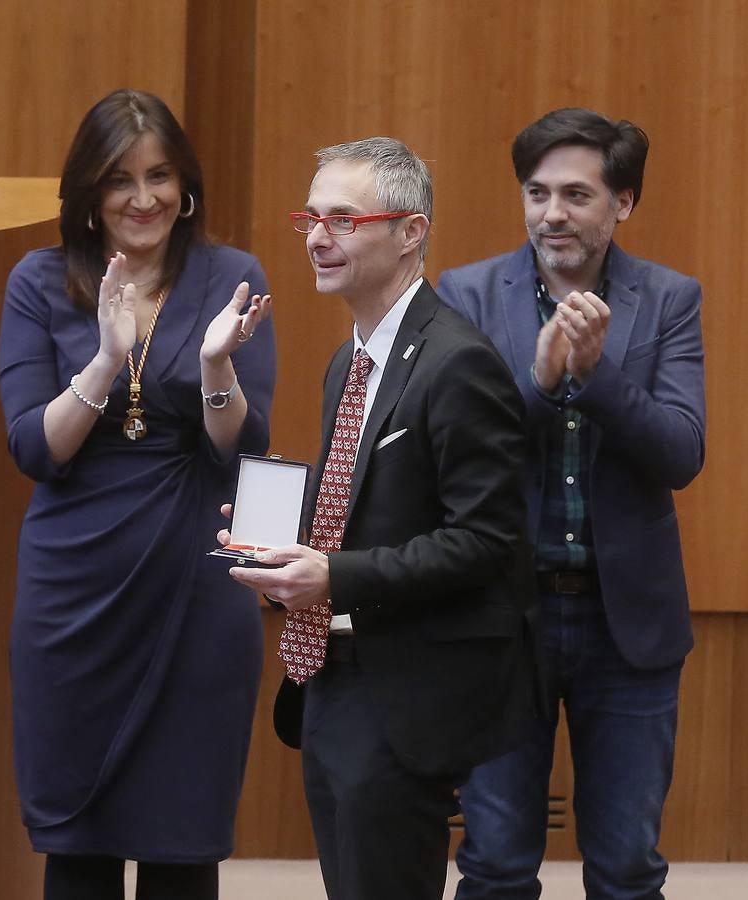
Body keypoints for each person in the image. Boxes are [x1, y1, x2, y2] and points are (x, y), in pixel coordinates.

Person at [225, 137, 536, 900]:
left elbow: (489, 542)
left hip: (407, 691)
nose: (319, 237)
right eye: (311, 218)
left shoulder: (457, 361)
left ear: (410, 231)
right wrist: (289, 555)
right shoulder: (350, 360)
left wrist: (336, 573)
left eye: (344, 218)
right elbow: (365, 515)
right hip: (330, 679)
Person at [0, 88, 275, 900]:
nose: (143, 198)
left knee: (181, 844)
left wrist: (219, 369)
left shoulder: (233, 274)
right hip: (74, 589)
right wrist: (104, 362)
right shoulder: (39, 280)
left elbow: (243, 445)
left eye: (160, 176)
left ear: (185, 184)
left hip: (196, 579)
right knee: (77, 847)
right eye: (120, 179)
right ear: (89, 190)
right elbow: (32, 449)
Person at [438, 107, 706, 900]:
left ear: (622, 203)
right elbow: (456, 448)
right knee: (494, 862)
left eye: (577, 195)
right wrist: (542, 378)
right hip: (500, 615)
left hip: (628, 626)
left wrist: (598, 377)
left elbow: (681, 453)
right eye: (537, 192)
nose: (552, 214)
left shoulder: (668, 300)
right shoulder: (469, 293)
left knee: (626, 867)